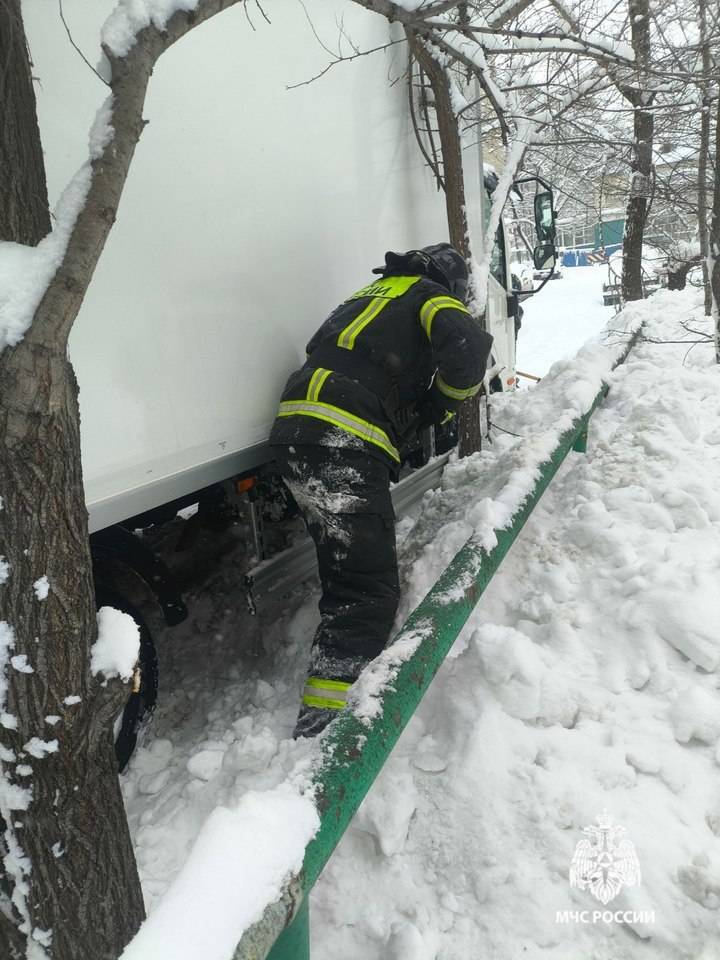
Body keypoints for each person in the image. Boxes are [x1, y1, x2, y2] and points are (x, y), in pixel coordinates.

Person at [268, 243, 493, 737]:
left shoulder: (365, 297)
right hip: (342, 437)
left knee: (344, 567)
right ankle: (325, 729)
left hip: (293, 433)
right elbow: (470, 348)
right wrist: (440, 403)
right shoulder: (431, 295)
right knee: (363, 590)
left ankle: (326, 707)